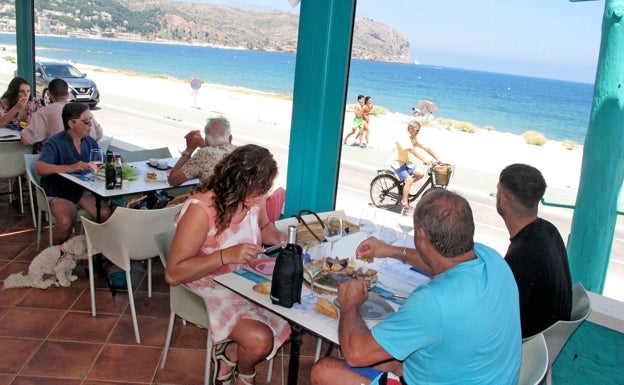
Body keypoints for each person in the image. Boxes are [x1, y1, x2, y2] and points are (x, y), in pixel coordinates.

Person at [310, 189, 521, 385]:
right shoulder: (492, 259)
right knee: (384, 354)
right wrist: (389, 250)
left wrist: (349, 305)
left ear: (420, 235)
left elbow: (355, 355)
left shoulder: (433, 301)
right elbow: (441, 261)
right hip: (480, 373)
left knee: (324, 370)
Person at [165, 144, 289, 385]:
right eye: (258, 192)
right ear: (237, 184)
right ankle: (244, 367)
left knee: (295, 307)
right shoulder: (201, 210)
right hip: (208, 284)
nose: (261, 197)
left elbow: (265, 228)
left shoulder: (255, 196)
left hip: (245, 277)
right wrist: (225, 256)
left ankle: (231, 353)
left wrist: (286, 241)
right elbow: (173, 273)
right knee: (260, 340)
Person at [496, 163, 573, 338]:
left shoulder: (522, 258)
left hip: (526, 350)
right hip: (544, 342)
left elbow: (499, 320)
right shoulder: (548, 230)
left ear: (503, 199)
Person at [36, 103, 111, 244]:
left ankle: (99, 252)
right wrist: (70, 167)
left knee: (105, 215)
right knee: (65, 223)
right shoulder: (55, 142)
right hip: (60, 189)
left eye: (91, 120)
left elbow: (103, 162)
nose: (90, 125)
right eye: (86, 121)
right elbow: (40, 168)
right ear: (71, 123)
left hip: (83, 189)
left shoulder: (90, 142)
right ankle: (54, 253)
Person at [21, 78, 103, 147]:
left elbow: (26, 140)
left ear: (49, 95)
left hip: (60, 162)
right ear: (67, 94)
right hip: (89, 161)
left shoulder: (43, 113)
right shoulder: (84, 111)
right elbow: (99, 135)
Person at [167, 116, 236, 187]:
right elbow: (217, 156)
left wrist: (189, 149)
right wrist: (204, 145)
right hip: (235, 197)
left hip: (210, 197)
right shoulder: (240, 152)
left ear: (206, 140)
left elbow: (173, 180)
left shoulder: (204, 154)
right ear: (230, 138)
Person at [394, 120, 440, 206]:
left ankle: (405, 187)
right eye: (417, 130)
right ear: (411, 129)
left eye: (419, 130)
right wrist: (424, 160)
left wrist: (437, 158)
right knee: (409, 180)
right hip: (397, 162)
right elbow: (411, 150)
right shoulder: (404, 138)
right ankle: (404, 202)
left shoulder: (414, 138)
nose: (418, 132)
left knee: (420, 174)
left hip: (406, 162)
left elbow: (425, 147)